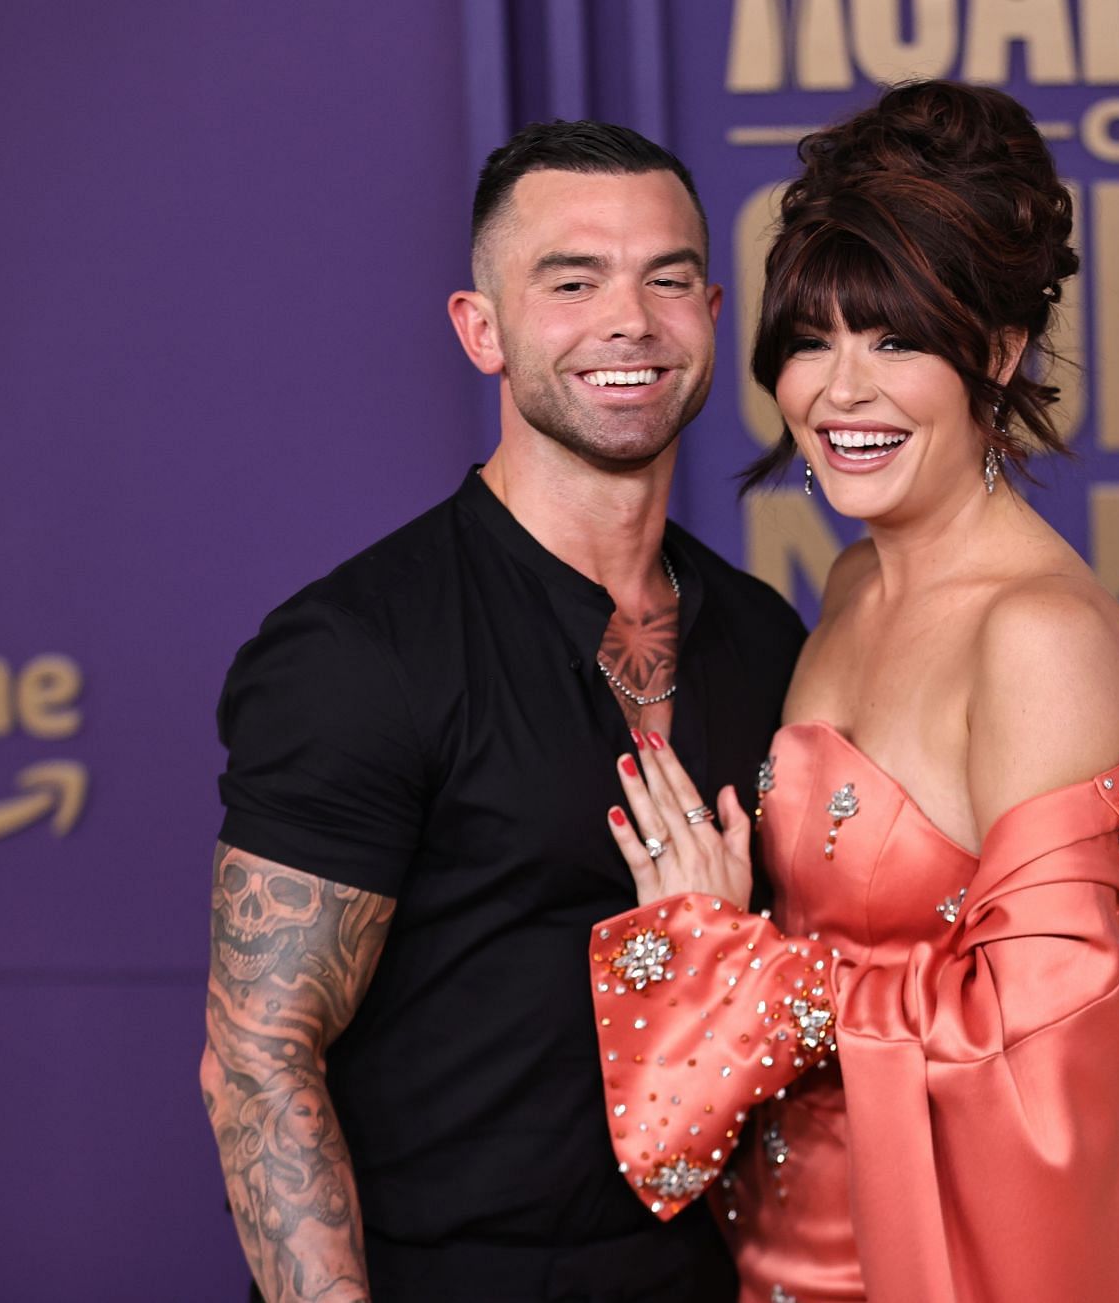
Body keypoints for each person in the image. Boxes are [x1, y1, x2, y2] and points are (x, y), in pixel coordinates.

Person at [583, 82, 1119, 1302]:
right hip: (777, 1254)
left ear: (993, 352)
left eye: (894, 340)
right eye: (812, 340)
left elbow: (1040, 1035)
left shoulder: (1040, 632)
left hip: (949, 1263)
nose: (841, 391)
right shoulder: (850, 585)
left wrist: (745, 969)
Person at [202, 120, 805, 1303]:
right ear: (482, 329)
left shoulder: (766, 635)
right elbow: (258, 1057)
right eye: (572, 281)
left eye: (666, 279)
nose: (628, 320)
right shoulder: (360, 647)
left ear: (713, 313)